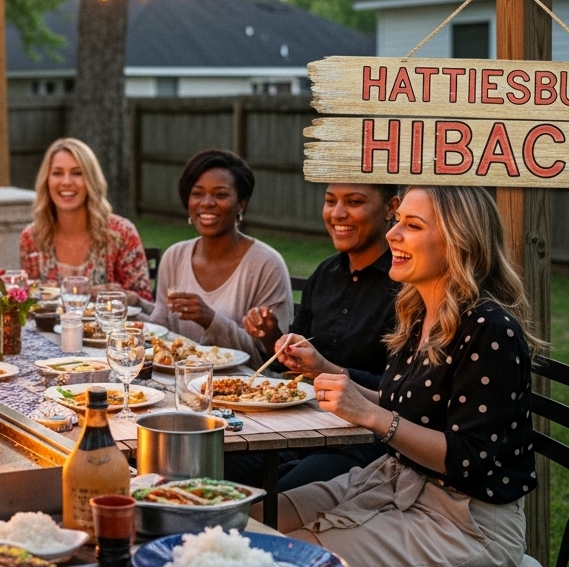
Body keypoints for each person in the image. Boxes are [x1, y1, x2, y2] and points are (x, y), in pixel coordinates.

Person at [273, 186, 543, 567]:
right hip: (395, 481)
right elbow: (401, 403)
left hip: (465, 522)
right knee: (256, 517)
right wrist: (330, 374)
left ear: (457, 241)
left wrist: (370, 416)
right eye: (397, 221)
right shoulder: (418, 312)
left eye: (412, 225)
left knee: (287, 554)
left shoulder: (489, 328)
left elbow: (470, 457)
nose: (392, 234)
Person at [233, 183, 400, 490]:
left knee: (270, 498)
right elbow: (300, 359)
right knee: (214, 467)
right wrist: (275, 337)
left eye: (354, 201)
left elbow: (401, 391)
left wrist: (324, 368)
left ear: (391, 208)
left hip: (363, 443)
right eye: (330, 200)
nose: (337, 213)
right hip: (303, 428)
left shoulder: (403, 285)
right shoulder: (325, 274)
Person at [147, 150, 291, 364]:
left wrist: (210, 319)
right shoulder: (174, 257)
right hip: (175, 380)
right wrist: (131, 315)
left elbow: (272, 356)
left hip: (243, 389)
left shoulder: (266, 265)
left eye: (220, 195)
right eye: (197, 193)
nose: (207, 203)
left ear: (241, 204)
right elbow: (160, 326)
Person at [19, 138, 153, 307]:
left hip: (111, 331)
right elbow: (29, 304)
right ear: (46, 181)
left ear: (91, 180)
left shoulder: (122, 233)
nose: (66, 182)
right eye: (57, 173)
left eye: (77, 173)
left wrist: (105, 295)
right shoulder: (31, 237)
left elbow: (145, 303)